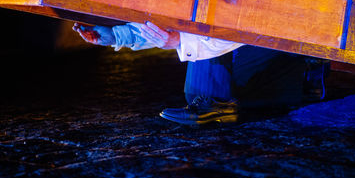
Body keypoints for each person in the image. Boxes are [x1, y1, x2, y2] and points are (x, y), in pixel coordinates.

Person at [73, 21, 328, 125]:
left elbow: (238, 20)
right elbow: (171, 10)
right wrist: (119, 35)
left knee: (204, 91)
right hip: (258, 44)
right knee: (206, 92)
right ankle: (299, 77)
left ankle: (300, 67)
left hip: (274, 31)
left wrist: (180, 41)